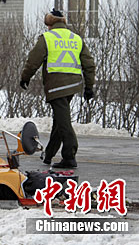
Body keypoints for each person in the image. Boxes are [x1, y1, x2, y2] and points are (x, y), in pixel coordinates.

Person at [20, 9, 96, 168]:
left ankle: (69, 155)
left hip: (56, 85)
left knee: (63, 121)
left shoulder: (47, 38)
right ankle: (49, 155)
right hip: (73, 84)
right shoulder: (76, 38)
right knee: (59, 120)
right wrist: (89, 86)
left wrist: (25, 78)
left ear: (50, 23)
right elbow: (89, 64)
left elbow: (33, 61)